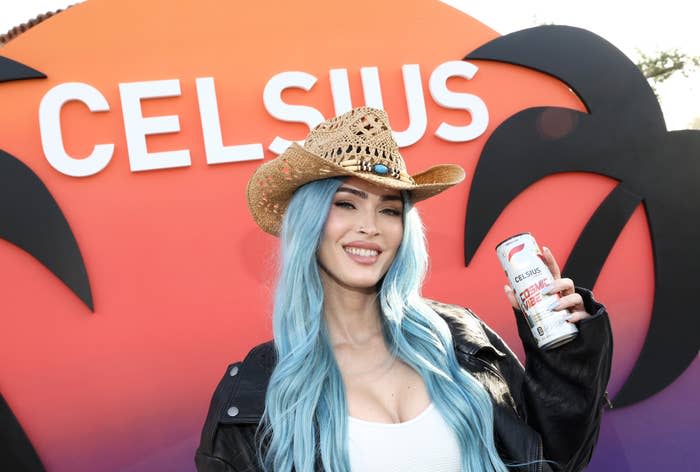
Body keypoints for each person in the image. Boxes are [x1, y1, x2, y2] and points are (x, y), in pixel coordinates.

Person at [195, 107, 613, 472]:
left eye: (390, 210)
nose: (371, 226)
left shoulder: (458, 337)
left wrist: (563, 351)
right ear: (309, 221)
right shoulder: (253, 392)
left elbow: (559, 456)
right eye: (346, 203)